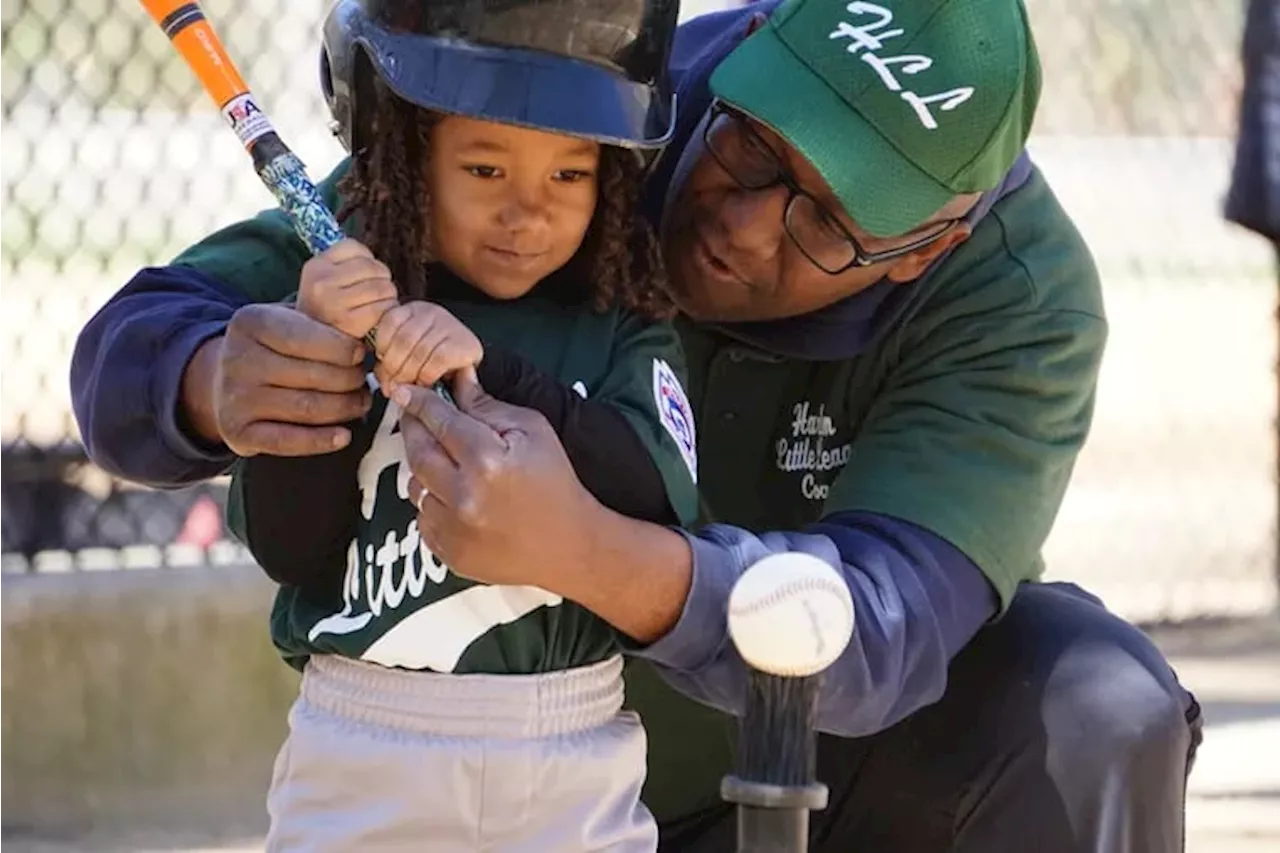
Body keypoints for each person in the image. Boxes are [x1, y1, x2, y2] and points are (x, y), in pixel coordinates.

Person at [70, 0, 1203, 850]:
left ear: (929, 246)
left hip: (795, 786)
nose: (743, 224)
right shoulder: (593, 105)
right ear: (750, 46)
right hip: (485, 764)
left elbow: (880, 630)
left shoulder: (1017, 302)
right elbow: (166, 329)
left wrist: (590, 552)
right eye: (749, 146)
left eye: (826, 219)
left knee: (1090, 702)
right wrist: (211, 379)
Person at [88, 0, 701, 851]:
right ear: (410, 154)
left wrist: (495, 368)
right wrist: (303, 365)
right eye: (485, 170)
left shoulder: (619, 304)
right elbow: (293, 551)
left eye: (570, 173)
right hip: (360, 734)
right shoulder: (343, 255)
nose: (527, 215)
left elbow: (653, 494)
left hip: (571, 736)